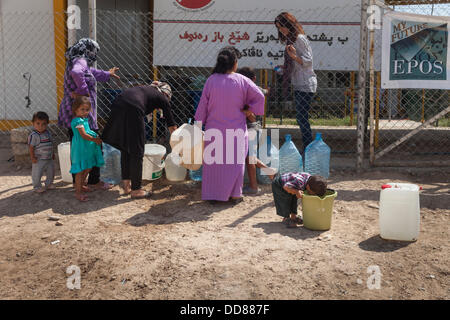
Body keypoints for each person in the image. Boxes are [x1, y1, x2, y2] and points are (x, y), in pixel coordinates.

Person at [194, 46, 265, 203]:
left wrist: (198, 127)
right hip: (236, 131)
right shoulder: (242, 80)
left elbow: (202, 107)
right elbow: (260, 96)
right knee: (235, 164)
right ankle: (234, 195)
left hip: (214, 130)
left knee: (214, 165)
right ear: (234, 63)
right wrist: (249, 109)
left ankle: (213, 195)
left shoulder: (211, 80)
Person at [57, 38, 119, 190]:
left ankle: (78, 182)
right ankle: (93, 180)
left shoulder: (76, 60)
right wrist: (82, 92)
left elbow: (90, 72)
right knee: (94, 143)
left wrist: (107, 74)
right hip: (81, 110)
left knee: (76, 146)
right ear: (88, 50)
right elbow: (78, 72)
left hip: (74, 109)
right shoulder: (80, 61)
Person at [101, 82, 178, 199]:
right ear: (166, 94)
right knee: (137, 150)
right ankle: (136, 189)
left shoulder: (146, 90)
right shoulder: (162, 98)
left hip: (118, 103)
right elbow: (172, 125)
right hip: (133, 107)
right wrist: (178, 143)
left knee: (126, 147)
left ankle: (127, 186)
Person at [275, 12, 317, 152]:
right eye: (279, 28)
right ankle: (307, 146)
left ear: (289, 25)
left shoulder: (299, 38)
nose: (281, 30)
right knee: (301, 118)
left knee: (302, 118)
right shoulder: (290, 40)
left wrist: (293, 56)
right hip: (298, 82)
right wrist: (285, 67)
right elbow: (296, 62)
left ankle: (308, 147)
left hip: (306, 83)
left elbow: (308, 61)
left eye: (282, 27)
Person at [236, 67, 273, 195]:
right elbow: (266, 92)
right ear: (255, 78)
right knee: (249, 157)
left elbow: (249, 114)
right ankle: (268, 172)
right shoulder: (256, 89)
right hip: (254, 127)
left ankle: (254, 186)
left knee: (249, 158)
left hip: (250, 127)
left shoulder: (244, 91)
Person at [70, 96, 105, 202]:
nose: (85, 112)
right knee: (80, 170)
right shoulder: (77, 121)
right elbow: (83, 135)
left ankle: (81, 185)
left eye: (87, 110)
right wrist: (95, 140)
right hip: (81, 148)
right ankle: (78, 192)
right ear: (76, 109)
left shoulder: (83, 119)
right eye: (82, 109)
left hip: (86, 148)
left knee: (88, 167)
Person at [28, 112, 55, 193]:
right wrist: (32, 157)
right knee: (37, 173)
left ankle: (49, 184)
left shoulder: (48, 133)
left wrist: (52, 153)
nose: (40, 126)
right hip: (39, 159)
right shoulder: (33, 135)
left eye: (43, 124)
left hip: (49, 158)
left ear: (47, 124)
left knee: (51, 172)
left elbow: (50, 144)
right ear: (33, 123)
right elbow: (31, 147)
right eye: (38, 123)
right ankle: (37, 186)